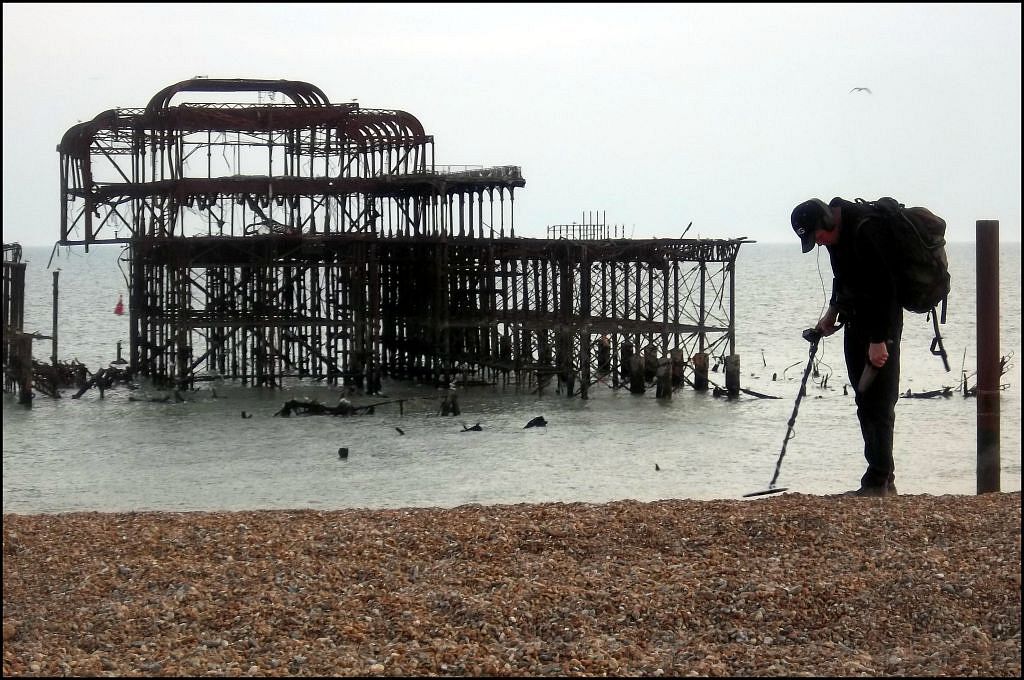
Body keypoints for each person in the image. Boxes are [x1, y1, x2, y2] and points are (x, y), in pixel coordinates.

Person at [791, 197, 903, 497]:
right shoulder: (835, 240)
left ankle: (878, 482)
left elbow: (886, 289)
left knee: (879, 403)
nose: (819, 244)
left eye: (818, 237)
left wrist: (879, 340)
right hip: (855, 322)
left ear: (827, 222)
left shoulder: (867, 230)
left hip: (881, 327)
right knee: (864, 400)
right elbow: (842, 278)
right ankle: (881, 477)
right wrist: (830, 315)